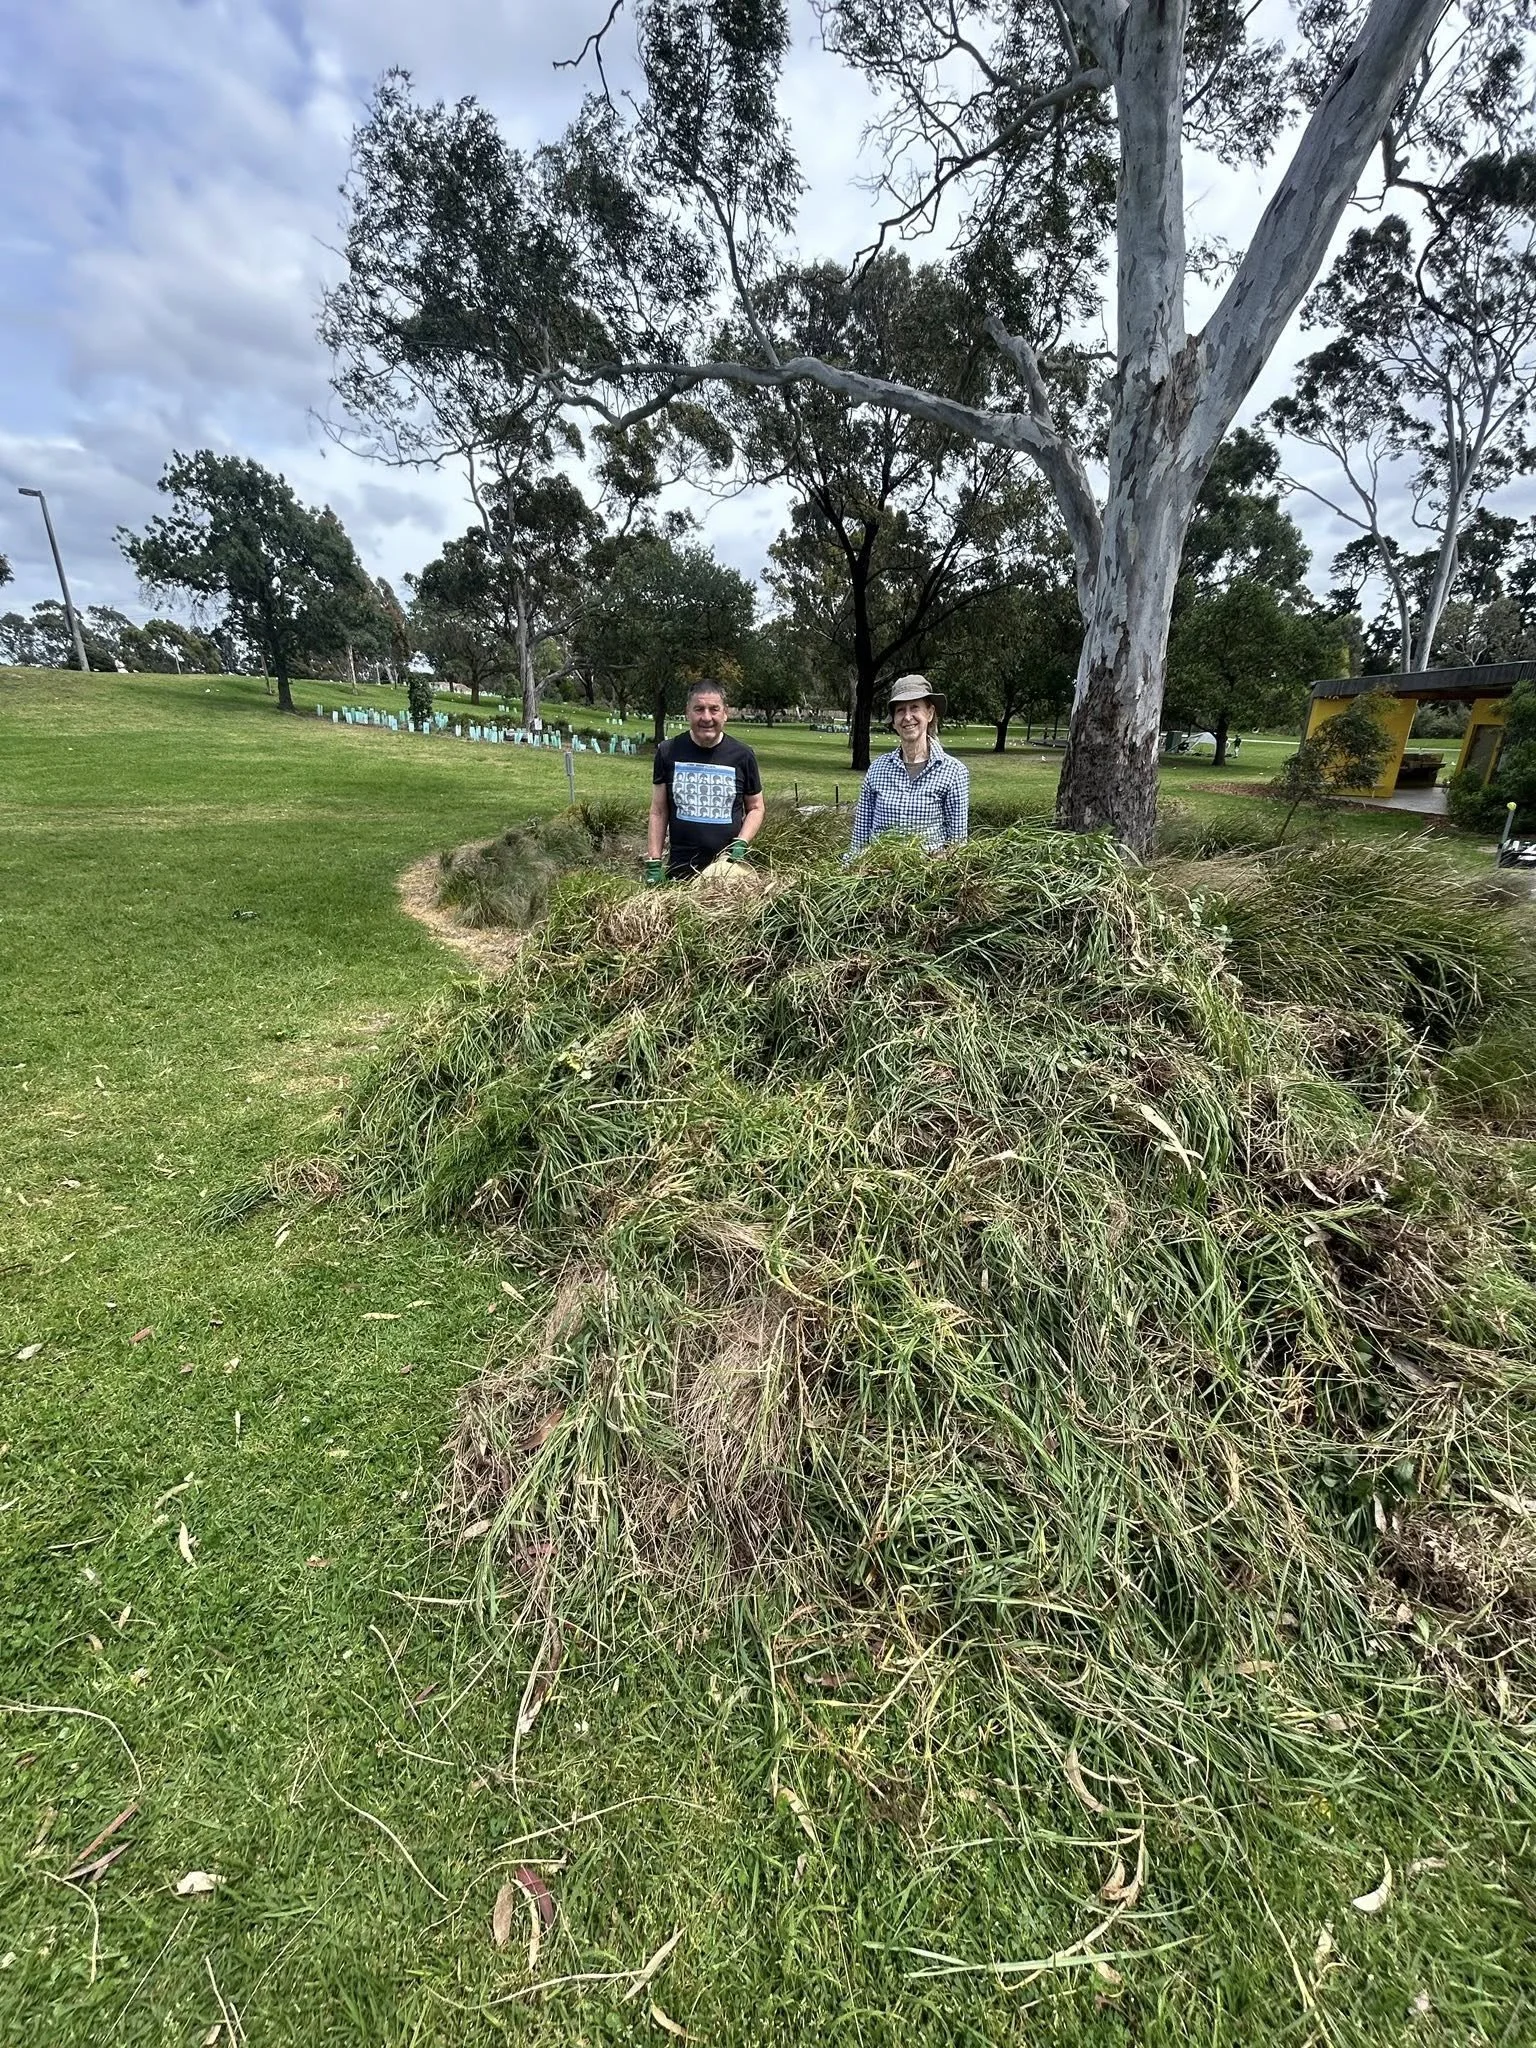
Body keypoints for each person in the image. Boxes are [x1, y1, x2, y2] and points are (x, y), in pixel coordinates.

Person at [647, 678, 765, 883]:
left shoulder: (743, 755)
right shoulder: (667, 752)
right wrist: (654, 862)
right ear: (688, 712)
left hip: (727, 876)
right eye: (699, 709)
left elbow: (756, 807)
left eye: (714, 709)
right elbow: (658, 811)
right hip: (680, 874)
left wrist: (741, 842)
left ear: (725, 713)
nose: (706, 717)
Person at [849, 675, 969, 856]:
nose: (907, 717)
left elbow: (957, 845)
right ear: (893, 720)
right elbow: (859, 839)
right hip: (876, 870)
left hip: (928, 871)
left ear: (929, 713)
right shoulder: (877, 769)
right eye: (900, 710)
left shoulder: (954, 772)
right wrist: (849, 867)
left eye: (914, 708)